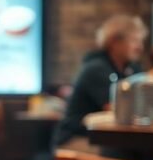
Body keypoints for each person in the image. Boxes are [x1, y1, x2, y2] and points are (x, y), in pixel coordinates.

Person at [52, 14, 147, 149]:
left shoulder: (131, 69)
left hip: (104, 138)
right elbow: (120, 111)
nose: (140, 47)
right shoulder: (96, 68)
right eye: (134, 41)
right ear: (114, 41)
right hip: (75, 139)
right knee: (125, 155)